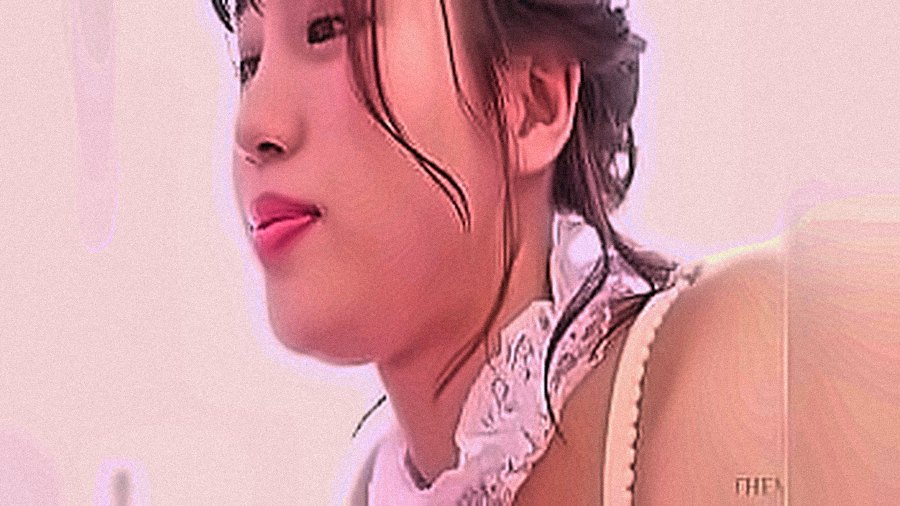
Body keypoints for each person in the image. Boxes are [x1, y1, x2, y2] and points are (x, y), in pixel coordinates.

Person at [209, 0, 898, 504]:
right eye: (249, 63)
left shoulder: (760, 350)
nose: (253, 124)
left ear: (532, 102)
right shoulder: (373, 484)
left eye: (327, 29)